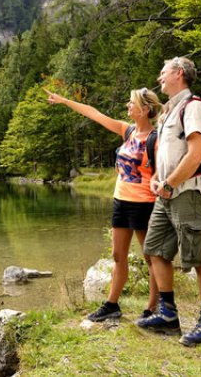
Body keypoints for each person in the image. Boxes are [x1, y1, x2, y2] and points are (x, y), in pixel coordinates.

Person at [44, 86, 163, 321]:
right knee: (118, 256)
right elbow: (94, 114)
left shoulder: (156, 139)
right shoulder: (126, 131)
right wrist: (64, 101)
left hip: (144, 204)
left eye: (132, 103)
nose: (128, 106)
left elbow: (162, 173)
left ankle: (153, 308)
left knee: (150, 257)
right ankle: (112, 305)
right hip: (121, 201)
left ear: (145, 109)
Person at [135, 56, 201, 346]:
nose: (159, 78)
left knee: (198, 257)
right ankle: (168, 314)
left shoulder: (194, 107)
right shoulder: (169, 111)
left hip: (188, 192)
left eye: (163, 73)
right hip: (167, 193)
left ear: (179, 74)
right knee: (156, 250)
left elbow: (195, 154)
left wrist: (170, 184)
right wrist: (157, 179)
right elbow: (165, 155)